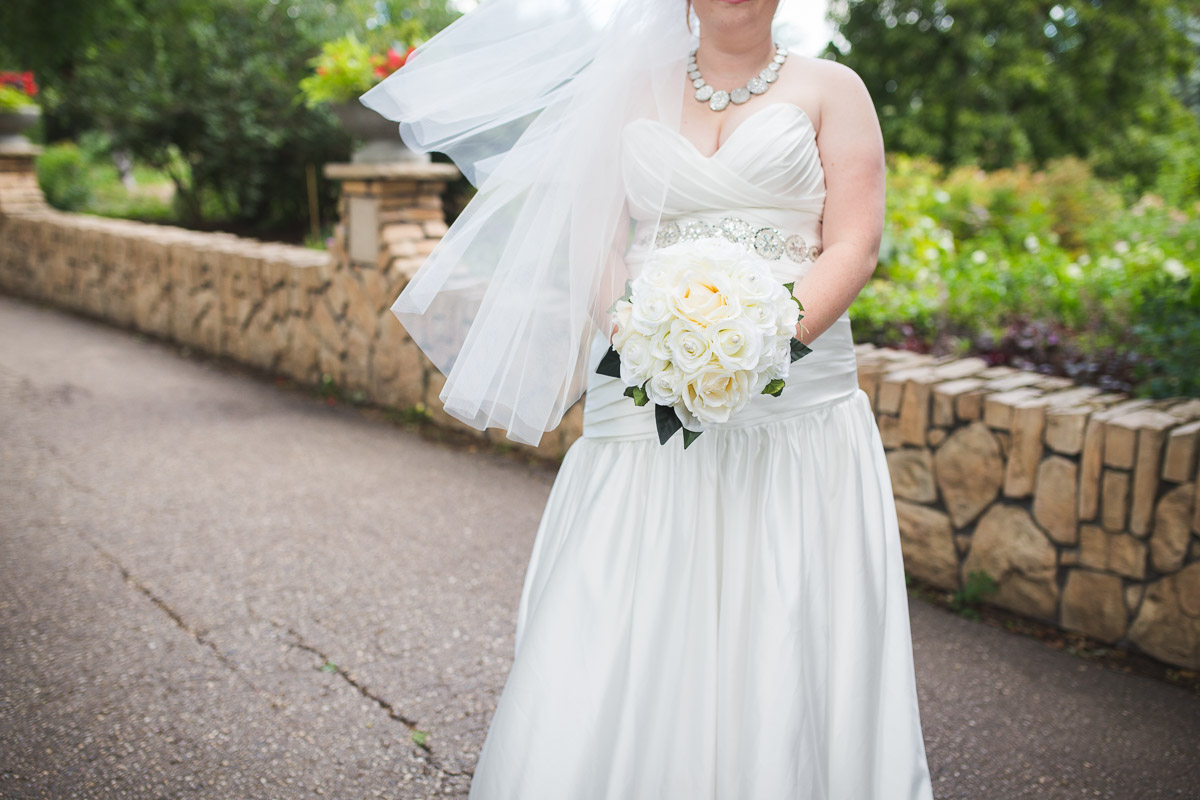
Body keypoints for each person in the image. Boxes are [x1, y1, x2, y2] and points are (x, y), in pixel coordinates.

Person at [362, 0, 935, 797]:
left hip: (795, 399)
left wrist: (770, 341)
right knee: (623, 594)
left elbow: (855, 240)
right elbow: (594, 234)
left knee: (783, 608)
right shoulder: (626, 90)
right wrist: (642, 341)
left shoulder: (835, 88)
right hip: (646, 381)